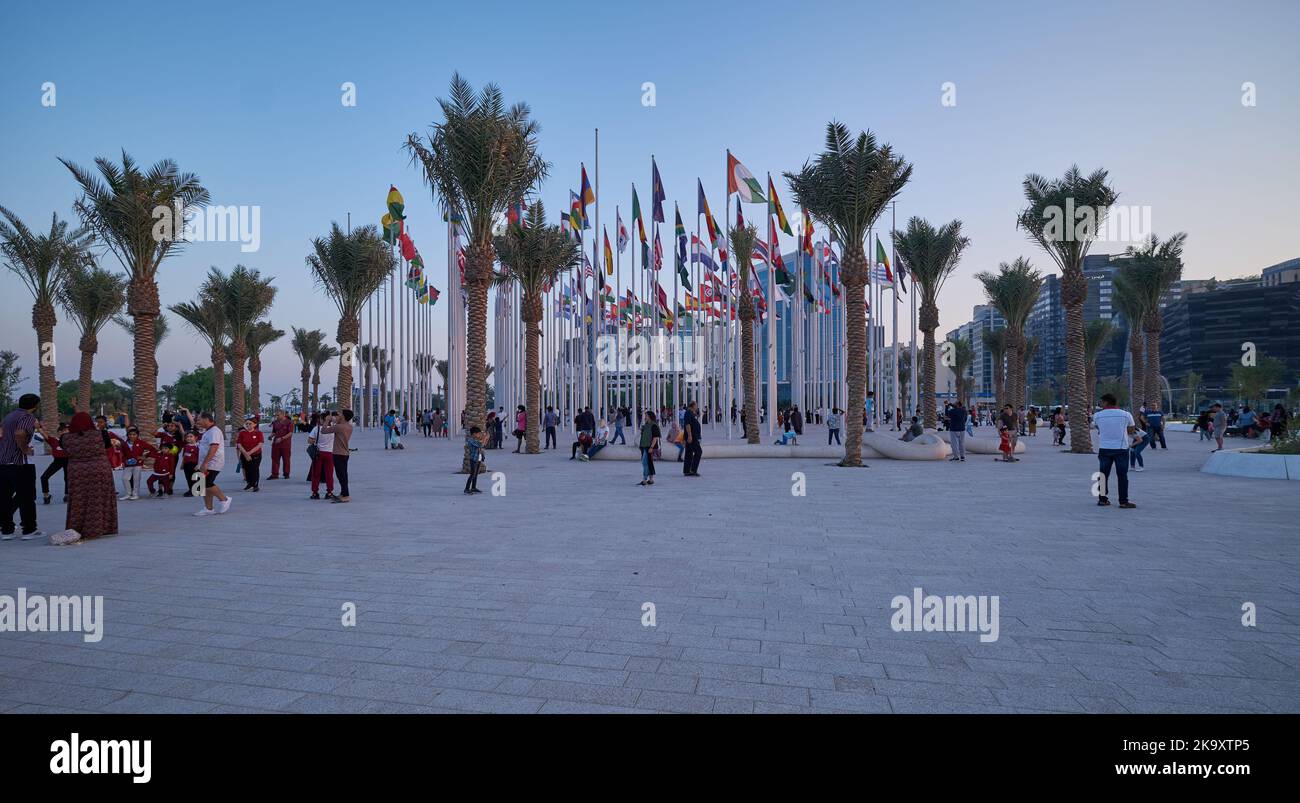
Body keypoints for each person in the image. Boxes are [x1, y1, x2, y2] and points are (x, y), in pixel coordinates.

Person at [60, 412, 118, 541]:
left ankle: (78, 527)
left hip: (77, 472)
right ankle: (104, 527)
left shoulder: (65, 438)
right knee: (100, 498)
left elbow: (64, 450)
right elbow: (108, 446)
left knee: (78, 500)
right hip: (100, 469)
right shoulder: (101, 434)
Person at [0, 393, 42, 540]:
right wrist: (25, 449)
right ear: (35, 405)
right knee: (27, 497)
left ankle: (6, 530)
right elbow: (19, 433)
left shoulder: (9, 416)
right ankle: (29, 529)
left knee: (4, 497)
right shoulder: (27, 418)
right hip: (20, 463)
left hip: (4, 462)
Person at [1094, 393, 1138, 509]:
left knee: (1103, 474)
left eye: (1101, 402)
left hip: (1104, 448)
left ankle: (1102, 499)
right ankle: (1123, 501)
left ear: (1106, 402)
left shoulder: (1098, 416)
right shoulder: (1126, 414)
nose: (1100, 404)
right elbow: (1131, 429)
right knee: (1122, 475)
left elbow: (1098, 428)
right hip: (1121, 448)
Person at [194, 412, 231, 516]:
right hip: (206, 463)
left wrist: (205, 463)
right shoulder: (208, 431)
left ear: (206, 419)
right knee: (203, 485)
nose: (198, 422)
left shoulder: (214, 431)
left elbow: (214, 447)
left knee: (206, 483)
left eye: (199, 419)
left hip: (213, 463)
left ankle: (224, 499)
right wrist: (200, 463)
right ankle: (209, 508)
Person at [318, 409, 354, 503]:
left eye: (341, 414)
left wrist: (327, 420)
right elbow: (338, 421)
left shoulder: (339, 427)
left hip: (338, 453)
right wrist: (334, 418)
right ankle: (343, 493)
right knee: (343, 474)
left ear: (344, 416)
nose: (339, 414)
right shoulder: (349, 426)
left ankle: (346, 495)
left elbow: (323, 430)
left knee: (341, 475)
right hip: (345, 453)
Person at [119, 427, 155, 500]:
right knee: (125, 478)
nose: (132, 436)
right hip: (128, 464)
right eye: (130, 434)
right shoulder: (124, 444)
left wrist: (144, 457)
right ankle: (128, 493)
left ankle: (136, 494)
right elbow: (122, 453)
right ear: (127, 435)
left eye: (134, 434)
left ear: (137, 435)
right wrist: (124, 461)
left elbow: (153, 449)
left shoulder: (141, 443)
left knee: (136, 479)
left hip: (138, 464)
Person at [41, 422, 69, 504]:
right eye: (64, 432)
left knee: (67, 478)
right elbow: (44, 434)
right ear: (59, 432)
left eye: (67, 432)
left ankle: (67, 495)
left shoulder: (70, 441)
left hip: (68, 460)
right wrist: (40, 428)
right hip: (57, 461)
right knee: (44, 477)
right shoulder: (54, 440)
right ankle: (46, 495)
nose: (66, 434)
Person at [308, 415, 335, 500]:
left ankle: (315, 492)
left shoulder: (317, 429)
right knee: (329, 474)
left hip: (318, 453)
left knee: (316, 474)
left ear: (321, 420)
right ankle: (329, 492)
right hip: (330, 453)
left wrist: (316, 441)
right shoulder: (333, 429)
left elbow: (310, 440)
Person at [236, 417, 265, 491]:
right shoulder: (242, 433)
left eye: (250, 424)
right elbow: (239, 444)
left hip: (256, 455)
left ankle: (255, 485)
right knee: (247, 469)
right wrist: (245, 453)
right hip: (244, 454)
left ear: (255, 424)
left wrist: (250, 453)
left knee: (254, 469)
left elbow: (260, 444)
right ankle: (249, 483)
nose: (248, 425)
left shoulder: (258, 433)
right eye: (247, 424)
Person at [267, 410, 293, 480]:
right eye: (276, 415)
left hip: (285, 444)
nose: (276, 417)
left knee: (286, 459)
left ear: (283, 415)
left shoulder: (289, 422)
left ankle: (286, 473)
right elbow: (274, 431)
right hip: (276, 443)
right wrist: (271, 436)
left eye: (278, 415)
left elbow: (290, 433)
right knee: (275, 458)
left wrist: (282, 438)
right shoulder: (275, 422)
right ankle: (274, 474)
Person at [637, 410, 660, 486]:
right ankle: (651, 479)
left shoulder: (654, 426)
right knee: (648, 463)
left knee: (645, 462)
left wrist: (651, 447)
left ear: (650, 416)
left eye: (646, 416)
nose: (645, 417)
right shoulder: (645, 425)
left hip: (649, 447)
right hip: (644, 446)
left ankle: (644, 479)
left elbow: (655, 437)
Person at [682, 401, 702, 476]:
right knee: (698, 452)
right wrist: (690, 435)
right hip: (692, 436)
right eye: (696, 405)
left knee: (689, 453)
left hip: (691, 436)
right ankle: (693, 470)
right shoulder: (688, 413)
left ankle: (687, 470)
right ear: (693, 405)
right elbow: (687, 425)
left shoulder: (691, 413)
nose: (697, 407)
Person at [464, 425, 485, 494]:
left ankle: (473, 487)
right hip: (473, 459)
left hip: (478, 458)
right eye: (478, 433)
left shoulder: (476, 440)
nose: (479, 435)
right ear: (474, 434)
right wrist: (486, 438)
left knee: (476, 474)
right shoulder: (471, 441)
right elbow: (480, 445)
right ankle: (466, 489)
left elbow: (481, 448)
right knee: (472, 474)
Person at [180, 432, 201, 496]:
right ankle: (191, 490)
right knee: (188, 478)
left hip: (194, 464)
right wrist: (182, 464)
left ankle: (198, 490)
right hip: (187, 464)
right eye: (187, 437)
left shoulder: (198, 446)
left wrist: (199, 465)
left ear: (195, 438)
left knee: (196, 478)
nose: (189, 438)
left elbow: (200, 456)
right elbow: (184, 456)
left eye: (191, 436)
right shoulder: (186, 446)